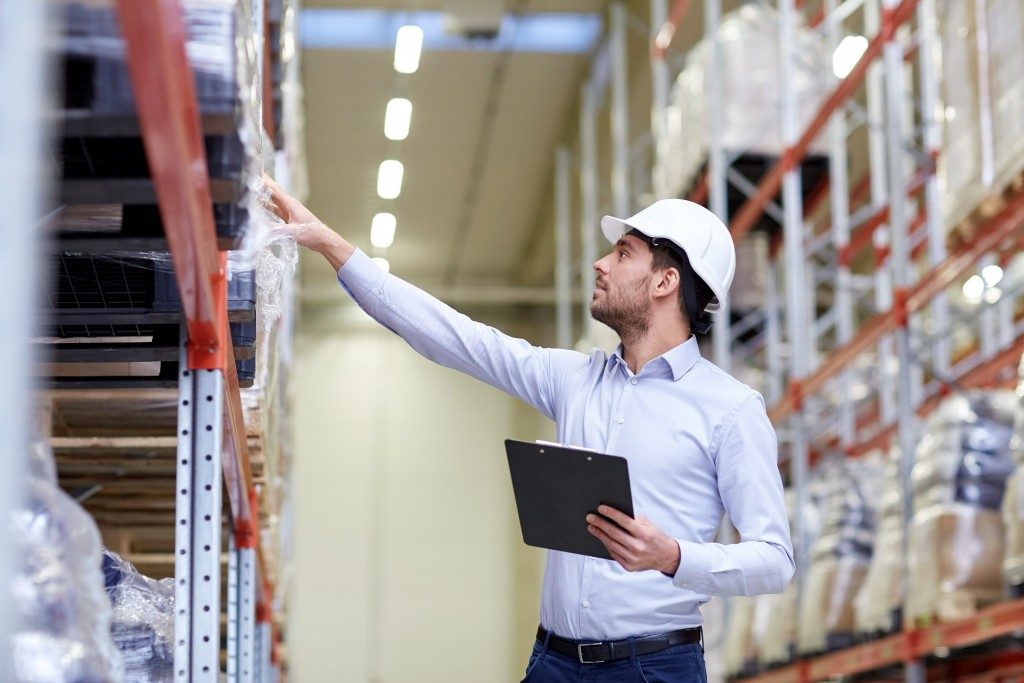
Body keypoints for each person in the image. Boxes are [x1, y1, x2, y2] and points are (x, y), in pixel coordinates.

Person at [264, 177, 794, 683]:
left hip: (654, 670)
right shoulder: (575, 380)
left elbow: (774, 560)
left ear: (665, 281)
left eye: (624, 252)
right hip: (553, 662)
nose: (600, 263)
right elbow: (455, 339)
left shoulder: (730, 409)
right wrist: (331, 245)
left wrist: (674, 557)